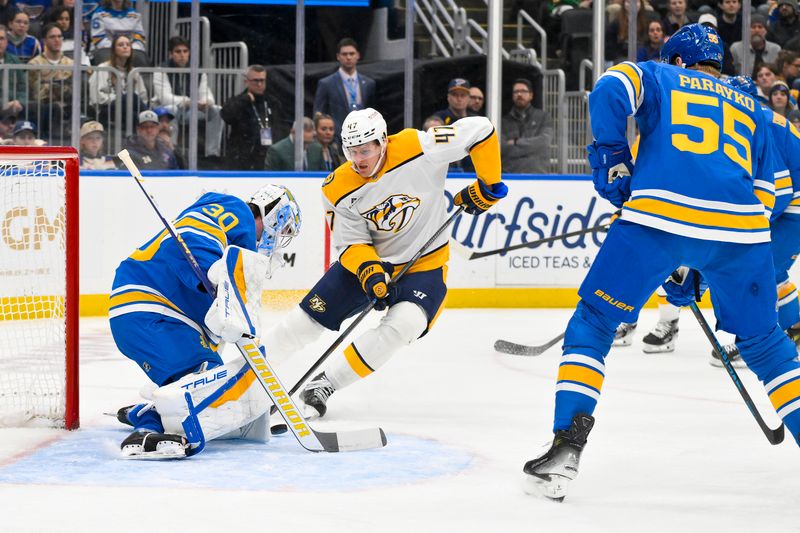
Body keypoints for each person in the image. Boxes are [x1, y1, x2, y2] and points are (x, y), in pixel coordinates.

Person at [522, 24, 800, 502]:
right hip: (743, 233)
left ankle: (566, 447)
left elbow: (610, 86)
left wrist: (612, 155)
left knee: (594, 321)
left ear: (675, 60)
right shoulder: (752, 105)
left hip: (657, 221)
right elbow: (771, 189)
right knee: (766, 344)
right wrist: (703, 257)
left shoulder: (659, 74)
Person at [261, 107, 506, 420]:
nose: (359, 159)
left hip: (424, 265)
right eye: (351, 151)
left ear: (383, 141)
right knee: (301, 325)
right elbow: (351, 244)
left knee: (405, 324)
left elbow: (481, 128)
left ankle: (325, 384)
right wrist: (371, 274)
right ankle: (239, 379)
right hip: (368, 265)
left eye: (365, 150)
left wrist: (488, 184)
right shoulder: (337, 187)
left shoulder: (419, 146)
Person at [109, 185, 302, 458]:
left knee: (210, 375)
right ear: (274, 217)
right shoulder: (237, 212)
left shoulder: (235, 246)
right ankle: (148, 424)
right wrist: (215, 272)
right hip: (150, 308)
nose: (276, 240)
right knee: (205, 385)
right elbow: (190, 234)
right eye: (282, 231)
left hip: (157, 315)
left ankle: (152, 409)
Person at [151, 36, 223, 158]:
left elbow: (207, 93)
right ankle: (172, 151)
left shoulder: (198, 70)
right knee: (171, 109)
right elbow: (165, 98)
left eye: (185, 51)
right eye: (178, 52)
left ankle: (212, 153)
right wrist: (188, 101)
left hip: (190, 110)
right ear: (171, 54)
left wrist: (206, 102)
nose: (182, 55)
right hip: (164, 109)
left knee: (217, 110)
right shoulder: (161, 69)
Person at [313, 38, 376, 139]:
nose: (348, 57)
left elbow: (372, 112)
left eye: (352, 54)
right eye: (344, 54)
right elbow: (319, 113)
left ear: (358, 55)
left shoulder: (368, 83)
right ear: (338, 56)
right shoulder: (326, 83)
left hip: (362, 137)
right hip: (337, 138)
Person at [27, 23, 73, 144]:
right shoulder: (34, 64)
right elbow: (38, 93)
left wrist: (50, 84)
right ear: (44, 40)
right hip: (43, 106)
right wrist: (58, 84)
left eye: (59, 36)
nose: (57, 40)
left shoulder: (71, 64)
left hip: (67, 106)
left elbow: (73, 92)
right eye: (52, 37)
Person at [220, 64, 273, 171]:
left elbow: (280, 126)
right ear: (246, 82)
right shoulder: (238, 100)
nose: (259, 84)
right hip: (241, 156)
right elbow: (226, 115)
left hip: (266, 155)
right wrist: (244, 100)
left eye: (262, 80)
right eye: (255, 80)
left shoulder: (272, 102)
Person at [88, 33, 148, 125]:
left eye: (128, 45)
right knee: (130, 98)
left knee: (133, 108)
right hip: (106, 110)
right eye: (121, 45)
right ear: (114, 50)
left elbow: (142, 97)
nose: (125, 47)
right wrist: (120, 98)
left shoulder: (134, 72)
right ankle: (147, 121)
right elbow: (97, 98)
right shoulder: (103, 68)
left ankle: (145, 122)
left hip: (128, 110)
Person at [501, 78, 553, 174]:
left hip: (538, 176)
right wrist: (532, 148)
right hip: (511, 176)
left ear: (531, 95)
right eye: (516, 92)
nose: (519, 94)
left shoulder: (543, 117)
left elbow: (544, 142)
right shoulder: (503, 122)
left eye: (523, 91)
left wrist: (516, 142)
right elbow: (502, 148)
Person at [434, 78, 478, 171]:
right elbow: (432, 124)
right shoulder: (440, 117)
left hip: (472, 173)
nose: (459, 99)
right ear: (448, 97)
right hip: (445, 172)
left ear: (469, 98)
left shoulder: (475, 121)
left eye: (463, 95)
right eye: (455, 95)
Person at [89, 0, 147, 65]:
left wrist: (130, 47)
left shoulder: (135, 14)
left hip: (129, 48)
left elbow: (139, 36)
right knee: (105, 57)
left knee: (140, 57)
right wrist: (117, 48)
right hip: (106, 48)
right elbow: (98, 38)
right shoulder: (99, 14)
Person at [0, 24, 27, 118]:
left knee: (35, 107)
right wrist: (5, 104)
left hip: (15, 104)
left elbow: (23, 87)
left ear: (7, 42)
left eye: (1, 38)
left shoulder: (15, 60)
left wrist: (20, 101)